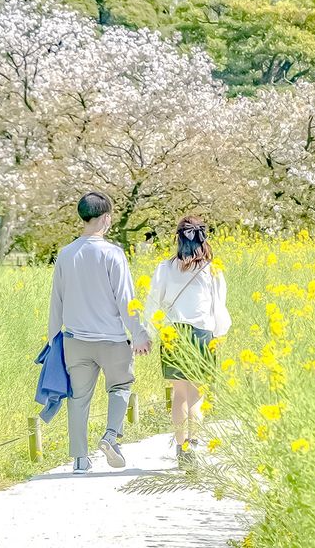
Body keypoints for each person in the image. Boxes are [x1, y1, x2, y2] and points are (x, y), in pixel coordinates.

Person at [48, 192, 152, 474]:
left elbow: (56, 299)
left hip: (75, 341)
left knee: (79, 399)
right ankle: (109, 437)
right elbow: (125, 299)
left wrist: (52, 337)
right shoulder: (112, 254)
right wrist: (139, 333)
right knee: (120, 387)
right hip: (112, 340)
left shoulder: (66, 254)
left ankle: (80, 459)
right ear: (106, 218)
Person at [145, 216, 231, 463]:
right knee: (196, 396)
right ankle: (193, 444)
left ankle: (181, 448)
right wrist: (219, 334)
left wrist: (148, 333)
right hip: (202, 335)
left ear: (178, 239)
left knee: (179, 395)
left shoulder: (164, 268)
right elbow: (219, 307)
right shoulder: (212, 270)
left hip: (174, 334)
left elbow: (153, 302)